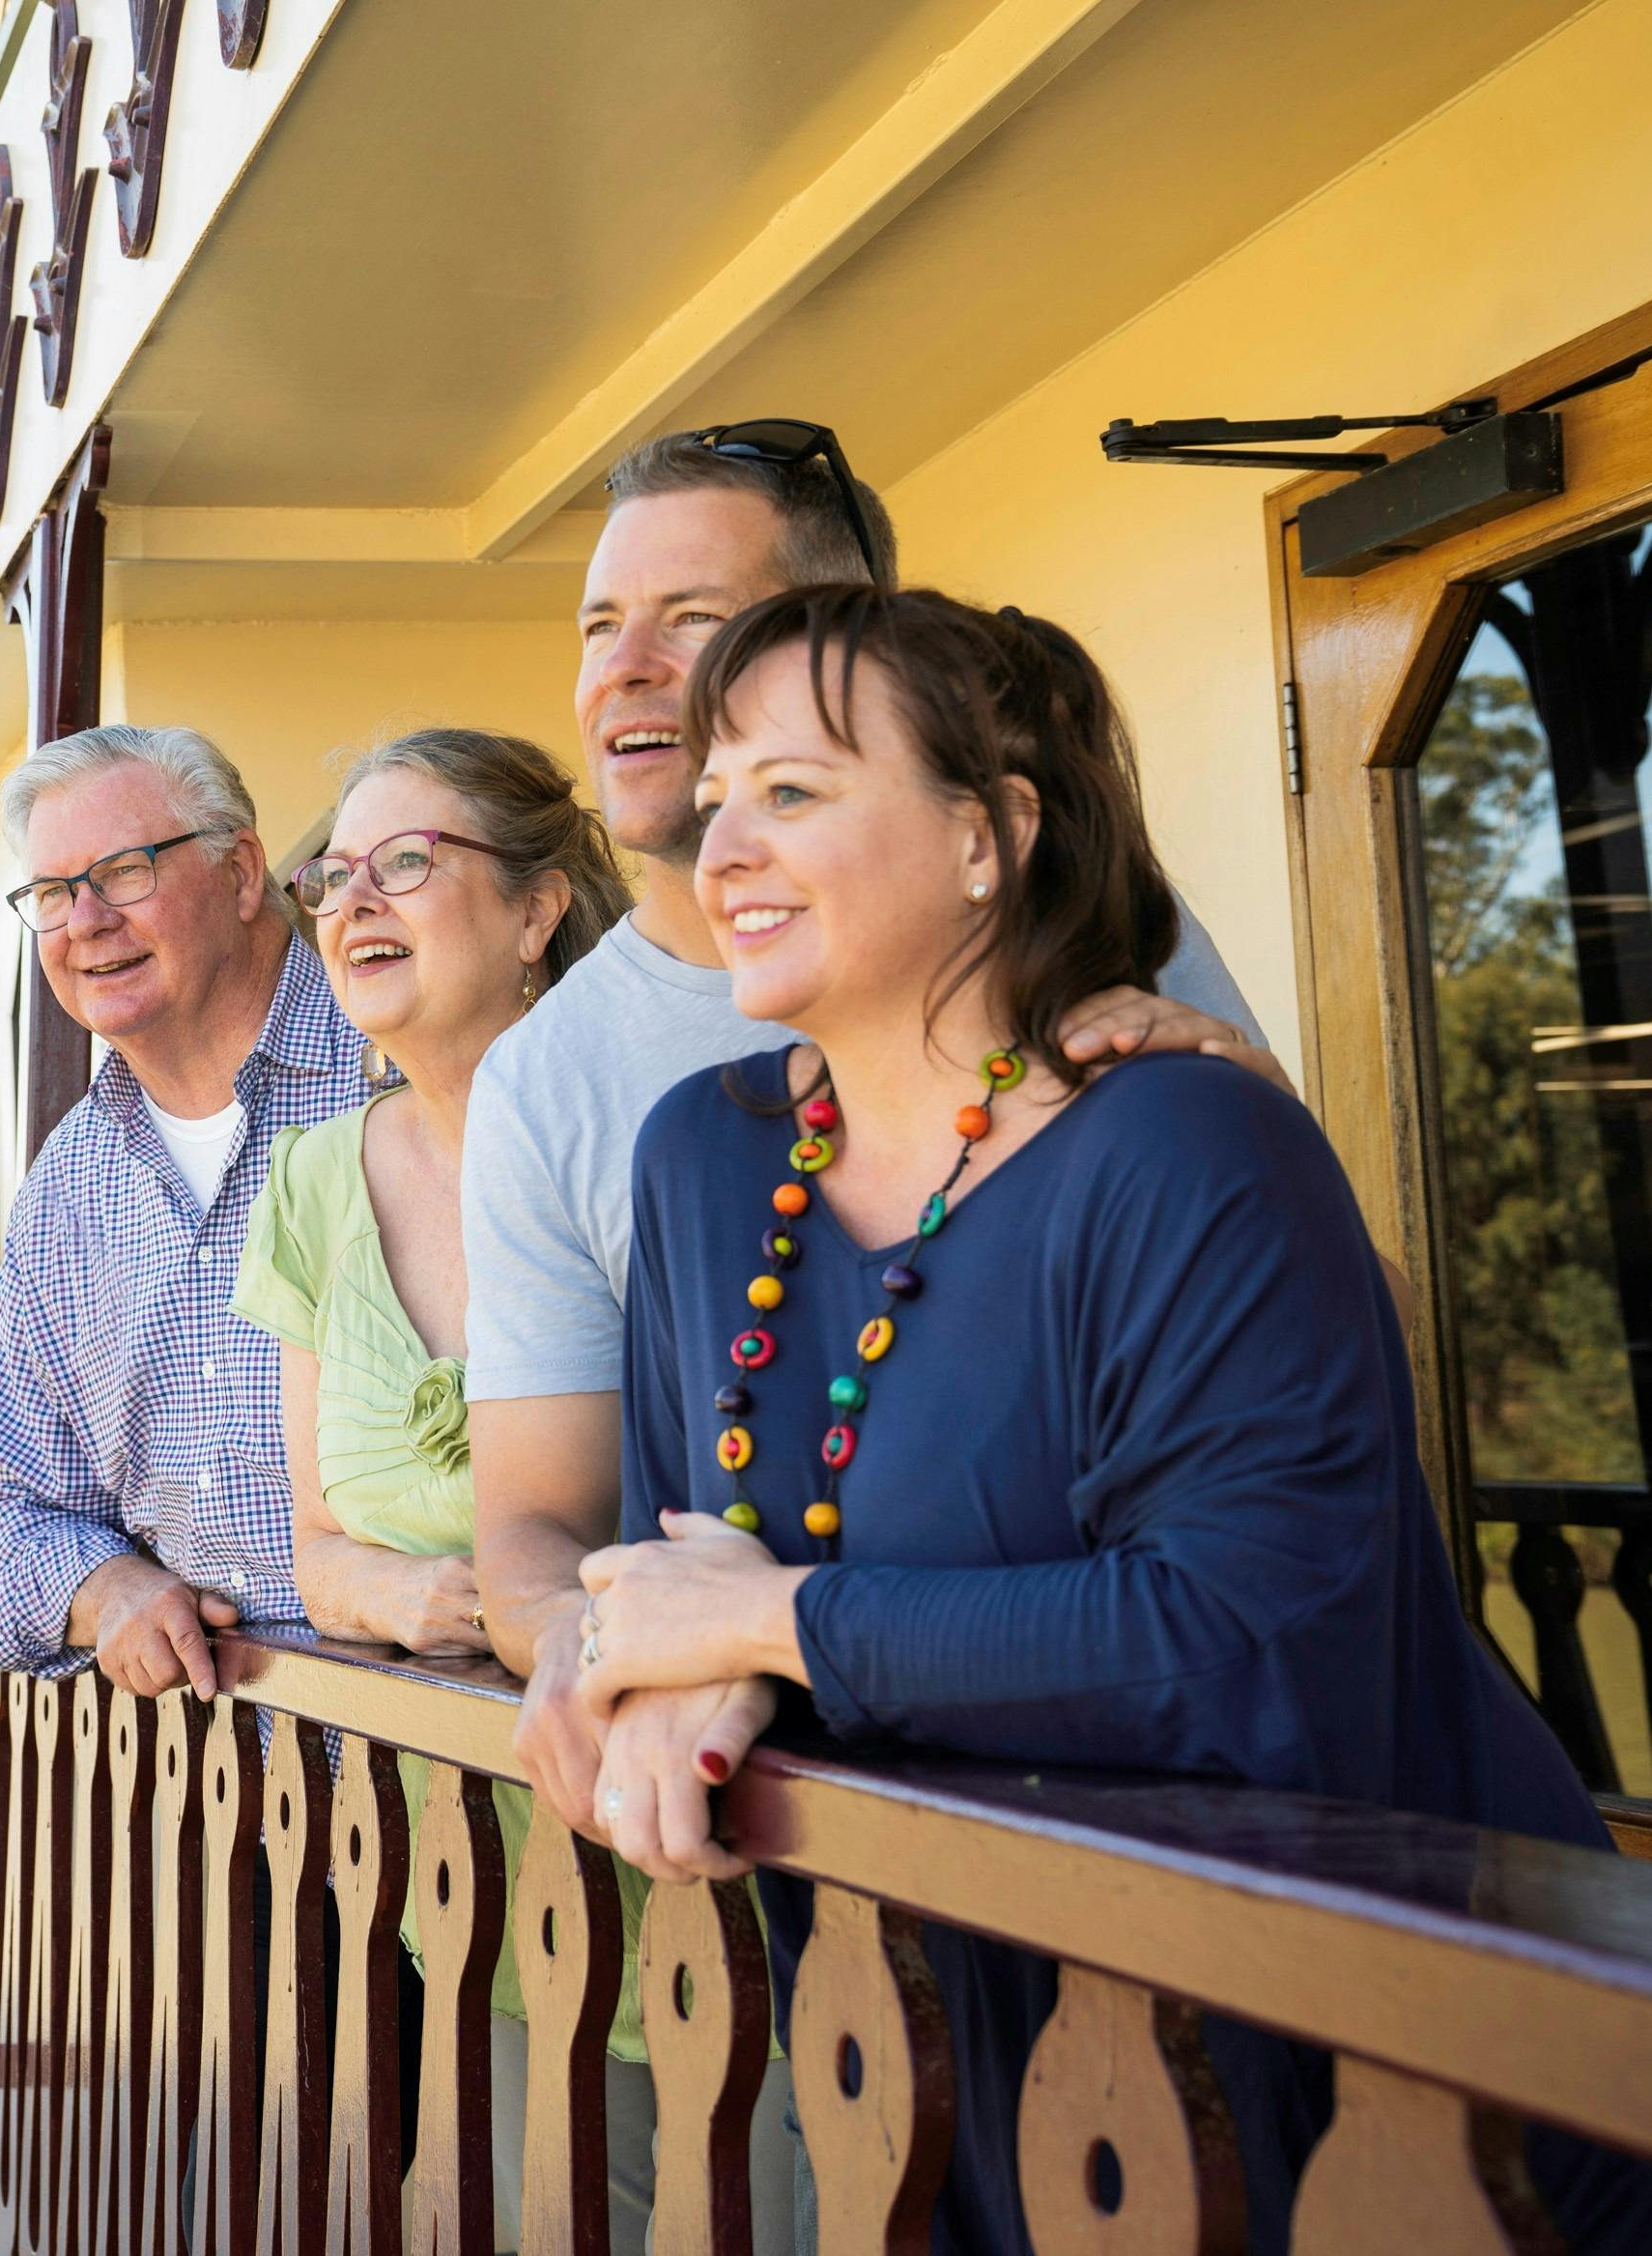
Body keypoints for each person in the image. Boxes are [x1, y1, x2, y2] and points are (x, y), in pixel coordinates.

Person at [563, 582, 1652, 2252]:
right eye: (719, 795)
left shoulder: (1188, 1149)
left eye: (794, 789)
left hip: (1362, 2087)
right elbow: (679, 1564)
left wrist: (780, 1623)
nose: (721, 842)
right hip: (930, 2066)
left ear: (991, 836)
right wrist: (692, 1665)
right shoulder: (702, 1160)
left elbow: (1239, 1641)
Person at [470, 423, 1275, 2243]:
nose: (633, 673)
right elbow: (608, 1531)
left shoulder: (1142, 1053)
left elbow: (1270, 1510)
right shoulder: (679, 1139)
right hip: (892, 1971)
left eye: (700, 618)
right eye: (603, 621)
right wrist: (646, 1662)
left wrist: (757, 1626)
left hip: (1244, 1947)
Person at [232, 725, 761, 2250]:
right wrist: (417, 1595)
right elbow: (314, 1539)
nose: (354, 900)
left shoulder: (682, 1113)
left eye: (410, 860)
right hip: (467, 1861)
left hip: (701, 1801)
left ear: (537, 909)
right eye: (333, 872)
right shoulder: (317, 1181)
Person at [0, 722, 366, 1689]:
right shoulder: (69, 1182)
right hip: (205, 1803)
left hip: (465, 1788)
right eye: (51, 893)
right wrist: (105, 1586)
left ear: (240, 871)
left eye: (124, 871)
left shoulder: (394, 1065)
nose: (84, 919)